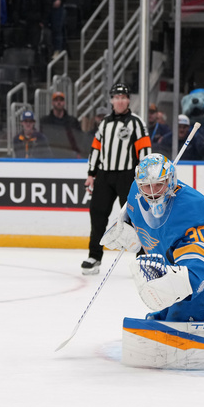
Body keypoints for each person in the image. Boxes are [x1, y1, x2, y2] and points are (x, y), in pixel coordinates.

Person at [100, 154, 204, 323]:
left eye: (159, 184)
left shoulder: (191, 205)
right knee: (158, 322)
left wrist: (179, 281)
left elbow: (203, 263)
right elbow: (140, 218)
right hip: (176, 268)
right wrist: (128, 227)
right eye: (146, 186)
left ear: (171, 181)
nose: (152, 193)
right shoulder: (136, 192)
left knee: (177, 328)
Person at [82, 83, 150, 275]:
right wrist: (91, 174)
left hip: (127, 175)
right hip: (104, 174)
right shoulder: (105, 123)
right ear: (112, 100)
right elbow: (96, 148)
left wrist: (142, 177)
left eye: (123, 97)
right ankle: (94, 256)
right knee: (97, 214)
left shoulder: (136, 122)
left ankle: (142, 258)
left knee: (135, 216)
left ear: (128, 100)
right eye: (116, 97)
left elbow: (144, 151)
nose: (119, 101)